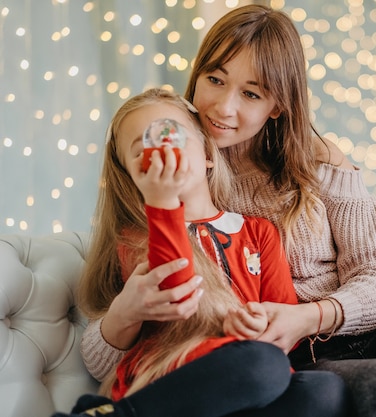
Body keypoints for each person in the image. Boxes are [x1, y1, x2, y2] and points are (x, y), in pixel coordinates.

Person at [80, 5, 376, 417]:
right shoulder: (185, 171)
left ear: (279, 106)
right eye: (215, 79)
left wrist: (313, 313)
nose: (223, 107)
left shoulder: (319, 160)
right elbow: (150, 304)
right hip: (299, 352)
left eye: (251, 93)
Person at [55, 88, 350, 417]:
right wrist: (162, 203)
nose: (164, 153)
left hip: (242, 373)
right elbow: (180, 298)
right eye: (145, 150)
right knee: (262, 364)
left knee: (324, 389)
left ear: (208, 153)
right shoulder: (138, 237)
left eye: (172, 137)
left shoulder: (258, 232)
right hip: (174, 374)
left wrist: (256, 323)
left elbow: (282, 318)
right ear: (130, 175)